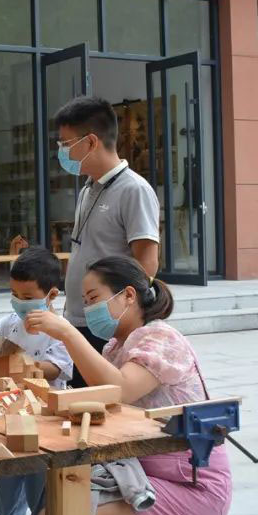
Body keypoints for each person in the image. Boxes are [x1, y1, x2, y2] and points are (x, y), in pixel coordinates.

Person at [25, 256, 231, 515]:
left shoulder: (160, 337)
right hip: (144, 476)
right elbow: (105, 404)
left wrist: (68, 333)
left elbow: (119, 389)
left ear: (129, 295)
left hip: (192, 487)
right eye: (85, 301)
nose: (88, 308)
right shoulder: (115, 347)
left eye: (93, 298)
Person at [0, 248, 73, 515]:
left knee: (39, 480)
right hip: (8, 410)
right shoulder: (8, 323)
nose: (19, 302)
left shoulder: (60, 330)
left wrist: (24, 364)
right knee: (7, 473)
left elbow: (59, 368)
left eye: (27, 297)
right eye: (14, 294)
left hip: (44, 416)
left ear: (51, 295)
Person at [55, 96, 160, 386]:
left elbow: (147, 264)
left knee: (101, 402)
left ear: (90, 142)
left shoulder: (134, 190)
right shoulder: (87, 189)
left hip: (106, 325)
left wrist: (119, 321)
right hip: (78, 320)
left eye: (65, 144)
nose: (61, 152)